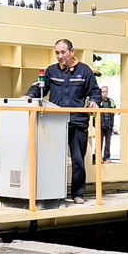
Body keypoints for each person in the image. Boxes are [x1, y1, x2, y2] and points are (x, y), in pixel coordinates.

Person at [23, 39, 101, 204]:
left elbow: (95, 90)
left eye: (63, 52)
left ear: (72, 52)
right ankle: (54, 193)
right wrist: (29, 95)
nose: (60, 56)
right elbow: (39, 88)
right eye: (57, 53)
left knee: (78, 161)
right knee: (52, 159)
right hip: (55, 122)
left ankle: (78, 194)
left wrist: (95, 101)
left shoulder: (84, 71)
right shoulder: (51, 71)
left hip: (77, 122)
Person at [99, 86, 116, 163]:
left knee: (108, 142)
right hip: (100, 125)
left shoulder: (111, 101)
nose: (104, 93)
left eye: (106, 91)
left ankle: (106, 158)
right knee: (99, 142)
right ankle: (98, 157)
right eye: (103, 91)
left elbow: (114, 111)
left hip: (109, 125)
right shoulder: (98, 101)